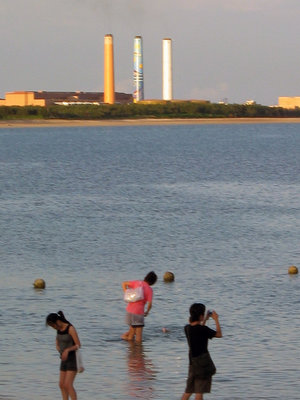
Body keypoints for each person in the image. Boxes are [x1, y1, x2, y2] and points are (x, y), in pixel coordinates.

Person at [181, 303, 222, 400]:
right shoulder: (203, 329)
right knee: (199, 392)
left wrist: (204, 320)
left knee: (188, 391)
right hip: (203, 364)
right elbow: (219, 334)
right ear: (200, 316)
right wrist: (216, 319)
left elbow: (198, 330)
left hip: (192, 363)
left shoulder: (187, 328)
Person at [46, 311, 81, 400]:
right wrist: (57, 346)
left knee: (68, 385)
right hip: (64, 359)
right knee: (61, 384)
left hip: (72, 358)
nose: (53, 328)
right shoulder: (58, 330)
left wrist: (67, 350)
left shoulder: (70, 328)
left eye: (53, 326)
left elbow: (78, 345)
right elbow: (58, 339)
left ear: (57, 321)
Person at [121, 271, 157, 342]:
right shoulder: (149, 290)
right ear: (153, 282)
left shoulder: (137, 283)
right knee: (138, 336)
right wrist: (147, 311)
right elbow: (150, 304)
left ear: (146, 277)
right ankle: (137, 351)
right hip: (138, 313)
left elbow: (124, 283)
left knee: (131, 334)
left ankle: (130, 350)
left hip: (129, 311)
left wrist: (127, 293)